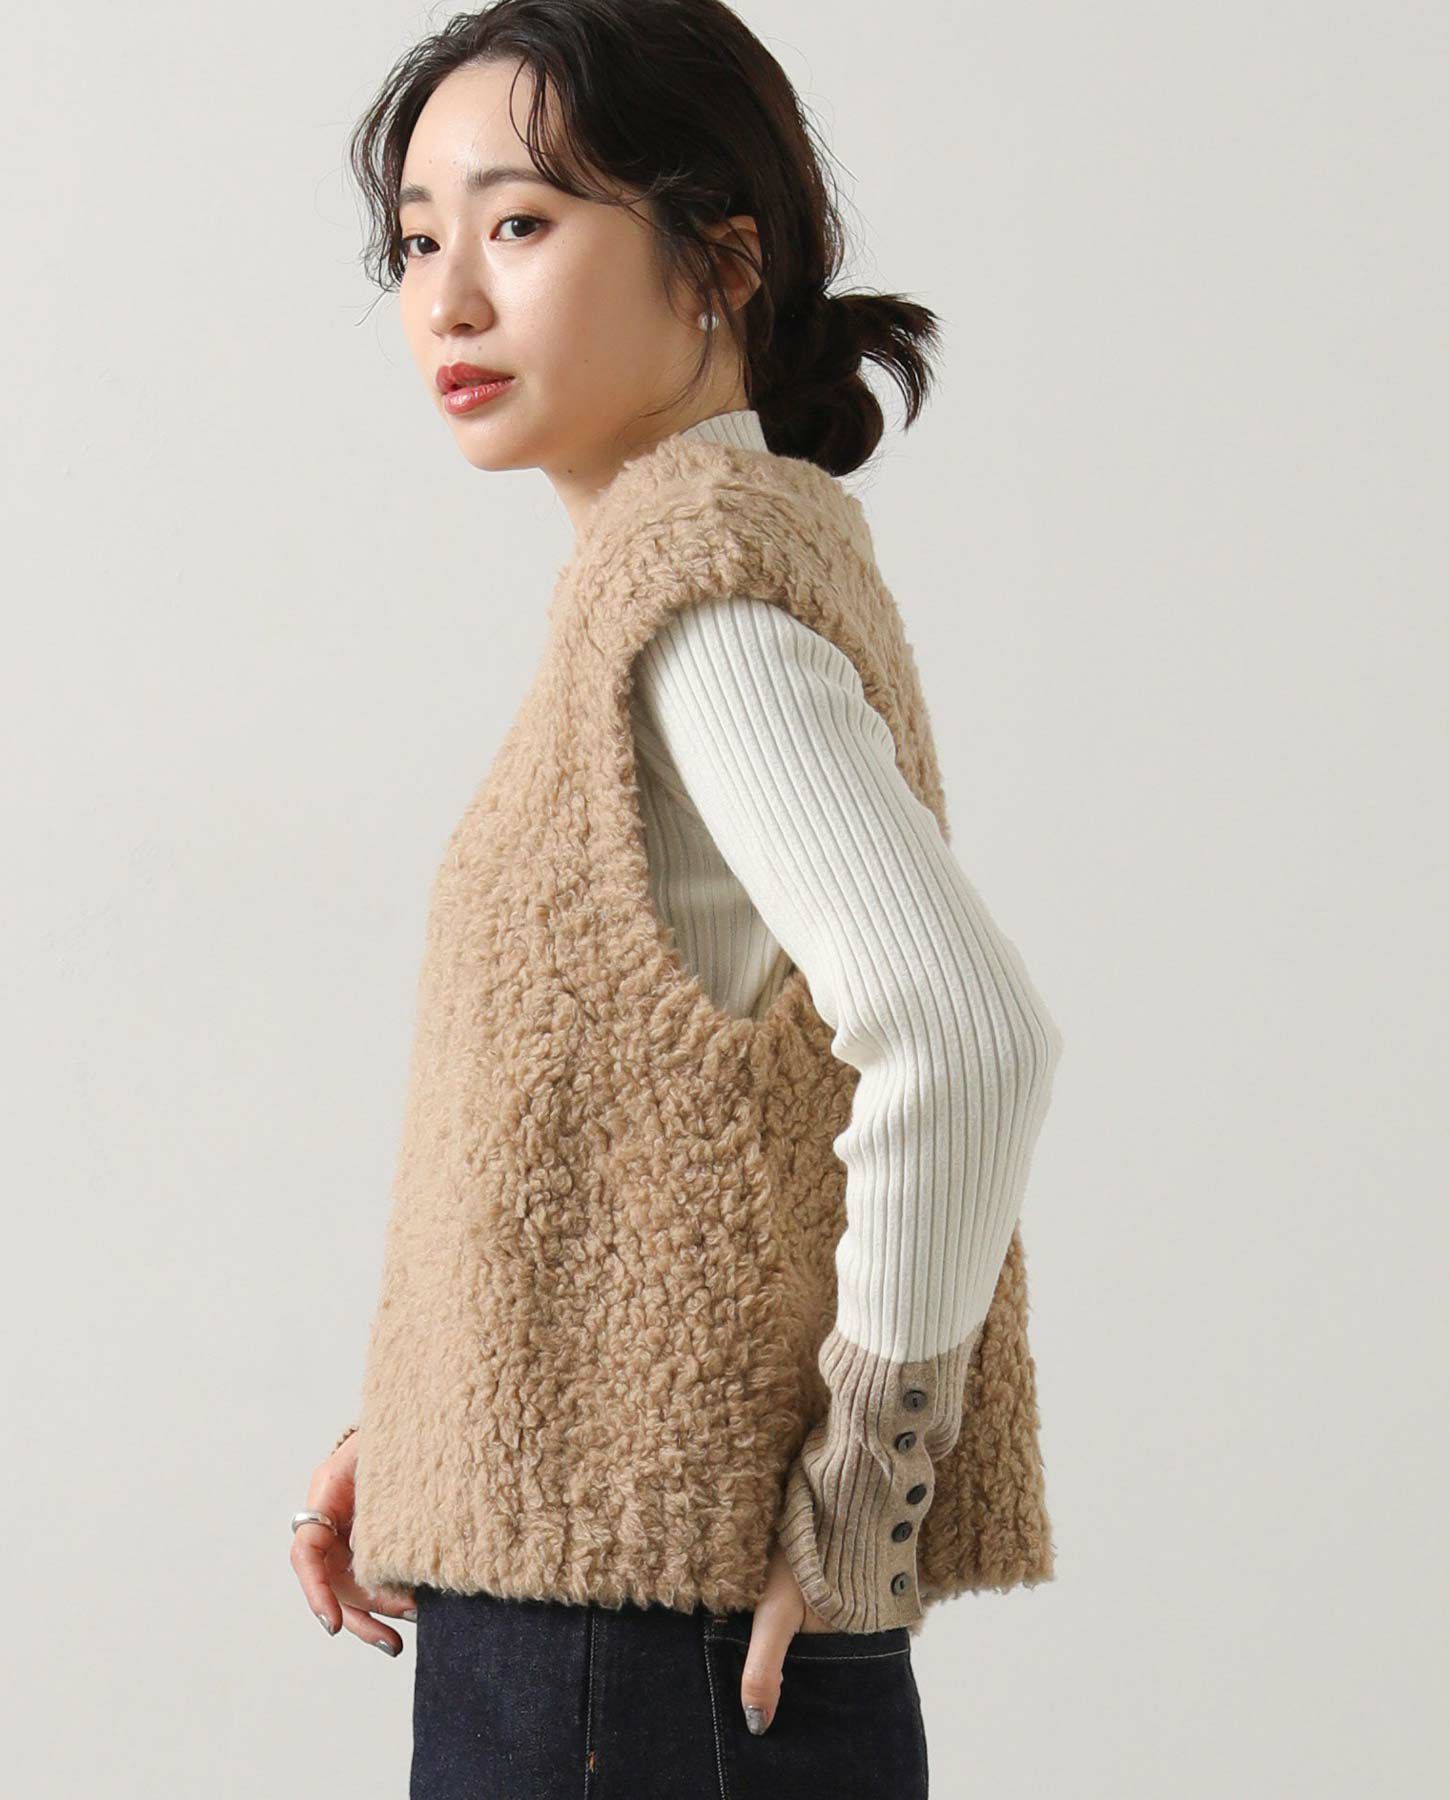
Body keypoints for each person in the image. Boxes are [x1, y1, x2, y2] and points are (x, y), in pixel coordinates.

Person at [288, 4, 1064, 1794]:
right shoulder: (699, 574)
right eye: (416, 240)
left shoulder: (699, 608)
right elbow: (631, 1132)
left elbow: (967, 1033)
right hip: (604, 1624)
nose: (448, 300)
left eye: (520, 222)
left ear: (722, 258)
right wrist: (437, 1424)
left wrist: (869, 1489)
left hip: (629, 1659)